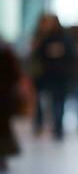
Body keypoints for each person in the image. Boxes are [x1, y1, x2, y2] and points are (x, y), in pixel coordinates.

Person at [0, 38, 21, 172]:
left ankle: (2, 156)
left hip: (3, 97)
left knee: (3, 128)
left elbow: (15, 75)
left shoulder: (6, 52)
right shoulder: (6, 51)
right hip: (4, 96)